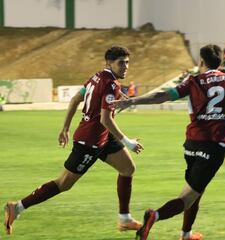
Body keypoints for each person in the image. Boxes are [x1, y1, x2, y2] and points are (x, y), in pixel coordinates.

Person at [4, 46, 144, 235]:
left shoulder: (97, 77)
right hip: (90, 141)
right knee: (63, 183)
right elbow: (105, 119)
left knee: (128, 168)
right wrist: (128, 142)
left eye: (127, 62)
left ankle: (124, 219)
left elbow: (75, 99)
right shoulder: (111, 84)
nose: (125, 67)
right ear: (108, 63)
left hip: (102, 136)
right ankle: (17, 207)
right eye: (121, 63)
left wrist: (65, 128)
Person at [111, 44, 225, 240]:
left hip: (191, 145)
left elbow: (162, 96)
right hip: (213, 146)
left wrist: (132, 101)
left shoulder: (193, 81)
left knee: (196, 190)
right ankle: (154, 216)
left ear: (201, 62)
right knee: (188, 196)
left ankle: (186, 234)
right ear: (221, 62)